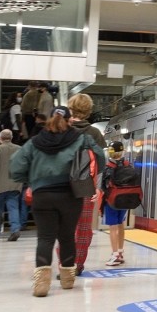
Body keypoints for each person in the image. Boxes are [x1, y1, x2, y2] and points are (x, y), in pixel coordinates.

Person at [10, 105, 104, 297]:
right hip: (70, 195)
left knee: (45, 237)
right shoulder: (82, 139)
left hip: (42, 196)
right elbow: (100, 159)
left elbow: (15, 168)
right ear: (70, 120)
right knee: (67, 236)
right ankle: (68, 279)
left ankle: (42, 283)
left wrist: (32, 180)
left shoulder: (35, 142)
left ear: (49, 119)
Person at [63, 93, 105, 274]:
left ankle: (65, 264)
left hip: (63, 185)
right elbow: (101, 161)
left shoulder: (63, 128)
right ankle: (78, 264)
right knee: (84, 227)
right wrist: (98, 186)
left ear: (70, 108)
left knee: (64, 227)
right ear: (88, 110)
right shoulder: (94, 133)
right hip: (86, 184)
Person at [0, 129, 23, 241]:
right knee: (13, 208)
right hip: (15, 184)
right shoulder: (19, 149)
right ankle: (15, 230)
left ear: (0, 138)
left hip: (0, 185)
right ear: (11, 138)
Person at [100, 142, 131, 267]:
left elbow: (104, 186)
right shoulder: (128, 165)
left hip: (112, 201)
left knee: (112, 227)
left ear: (110, 152)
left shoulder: (108, 166)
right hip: (124, 200)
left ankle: (114, 255)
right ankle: (120, 252)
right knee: (120, 225)